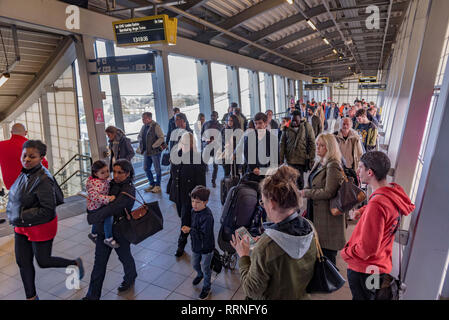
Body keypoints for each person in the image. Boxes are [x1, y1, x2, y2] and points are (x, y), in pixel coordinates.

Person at [6, 140, 84, 300]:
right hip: (21, 225)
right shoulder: (25, 172)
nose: (26, 159)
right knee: (23, 262)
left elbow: (47, 210)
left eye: (31, 157)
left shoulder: (44, 179)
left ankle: (74, 264)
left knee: (43, 261)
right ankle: (32, 297)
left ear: (41, 157)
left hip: (40, 227)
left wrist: (19, 215)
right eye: (24, 155)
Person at [230, 165, 317, 300]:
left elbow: (252, 291)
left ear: (271, 203)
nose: (263, 206)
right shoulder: (310, 228)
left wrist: (244, 256)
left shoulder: (265, 248)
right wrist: (266, 241)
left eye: (262, 202)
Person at [341, 152, 415, 300]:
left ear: (370, 172)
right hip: (377, 266)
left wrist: (347, 253)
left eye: (360, 167)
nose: (358, 171)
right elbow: (384, 211)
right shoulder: (392, 192)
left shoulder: (377, 204)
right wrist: (362, 211)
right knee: (370, 296)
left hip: (365, 268)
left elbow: (368, 248)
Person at [84, 159, 137, 300]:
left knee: (124, 257)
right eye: (115, 172)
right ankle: (92, 296)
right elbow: (95, 199)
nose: (116, 175)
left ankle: (130, 276)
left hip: (120, 231)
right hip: (104, 231)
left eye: (121, 172)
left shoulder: (129, 189)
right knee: (99, 264)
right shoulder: (109, 183)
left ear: (128, 173)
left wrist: (92, 217)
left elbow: (112, 208)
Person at [300, 133, 345, 266]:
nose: (317, 148)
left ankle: (327, 283)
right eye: (317, 145)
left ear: (330, 147)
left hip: (327, 217)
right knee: (318, 251)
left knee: (327, 255)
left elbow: (329, 192)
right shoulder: (320, 162)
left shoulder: (333, 165)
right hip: (316, 212)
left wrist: (305, 192)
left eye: (321, 145)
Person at [169, 132, 207, 257]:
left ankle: (182, 244)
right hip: (178, 195)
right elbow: (172, 175)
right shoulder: (176, 155)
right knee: (183, 216)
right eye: (183, 143)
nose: (185, 146)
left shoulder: (197, 157)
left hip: (190, 196)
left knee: (185, 220)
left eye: (188, 143)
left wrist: (201, 199)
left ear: (192, 144)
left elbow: (201, 181)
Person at [183, 185, 215, 300]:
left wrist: (190, 230)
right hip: (196, 245)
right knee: (195, 264)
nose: (194, 204)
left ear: (205, 202)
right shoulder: (193, 211)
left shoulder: (208, 216)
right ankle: (199, 274)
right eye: (192, 201)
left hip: (206, 247)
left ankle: (207, 287)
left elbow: (204, 234)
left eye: (197, 202)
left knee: (206, 268)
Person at [0, 123, 49, 190]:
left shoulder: (1, 145)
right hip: (29, 185)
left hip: (11, 186)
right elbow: (45, 164)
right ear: (26, 133)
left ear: (11, 133)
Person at [279, 110, 316, 190]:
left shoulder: (307, 127)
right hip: (290, 159)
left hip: (301, 159)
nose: (294, 122)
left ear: (300, 119)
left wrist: (312, 158)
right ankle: (293, 195)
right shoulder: (286, 128)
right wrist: (281, 158)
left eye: (296, 120)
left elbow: (312, 143)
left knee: (300, 179)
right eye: (293, 120)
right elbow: (282, 144)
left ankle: (299, 194)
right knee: (290, 179)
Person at [86, 160, 118, 249]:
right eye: (102, 172)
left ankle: (93, 234)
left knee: (97, 220)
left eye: (107, 171)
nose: (106, 174)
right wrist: (108, 198)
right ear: (96, 174)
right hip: (95, 207)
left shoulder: (103, 179)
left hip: (99, 205)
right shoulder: (93, 184)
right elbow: (94, 197)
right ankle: (108, 238)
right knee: (108, 216)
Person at [137, 112, 165, 193]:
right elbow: (139, 136)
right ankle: (152, 184)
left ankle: (158, 185)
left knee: (157, 169)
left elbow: (161, 137)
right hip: (146, 151)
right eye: (142, 118)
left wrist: (154, 145)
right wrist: (140, 140)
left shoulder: (155, 126)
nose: (142, 120)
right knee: (146, 168)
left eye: (144, 118)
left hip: (155, 152)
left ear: (149, 118)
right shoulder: (143, 127)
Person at [243, 112, 275, 183]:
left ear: (266, 123)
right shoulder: (249, 137)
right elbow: (246, 154)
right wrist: (253, 168)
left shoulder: (272, 138)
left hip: (267, 173)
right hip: (253, 172)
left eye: (260, 123)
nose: (257, 126)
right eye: (255, 123)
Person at [334, 118, 364, 184]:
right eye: (343, 124)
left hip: (351, 169)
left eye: (347, 124)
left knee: (349, 189)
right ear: (340, 125)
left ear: (351, 126)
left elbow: (360, 153)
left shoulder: (356, 138)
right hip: (337, 168)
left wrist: (359, 168)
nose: (345, 126)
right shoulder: (334, 136)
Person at [202, 111, 223, 188]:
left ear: (217, 117)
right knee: (203, 165)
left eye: (214, 116)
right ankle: (202, 181)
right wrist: (205, 142)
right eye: (211, 115)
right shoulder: (206, 124)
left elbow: (222, 138)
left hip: (216, 147)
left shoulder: (220, 126)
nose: (213, 117)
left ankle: (213, 181)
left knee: (215, 165)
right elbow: (202, 136)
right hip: (207, 146)